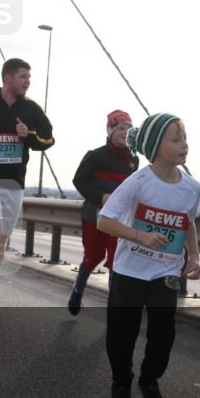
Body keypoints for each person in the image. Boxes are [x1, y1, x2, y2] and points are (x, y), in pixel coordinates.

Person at [97, 113, 200, 398]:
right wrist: (139, 235)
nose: (184, 145)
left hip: (166, 272)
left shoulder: (191, 187)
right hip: (129, 271)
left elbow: (188, 223)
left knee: (163, 331)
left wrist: (193, 256)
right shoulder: (138, 182)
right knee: (121, 334)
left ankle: (149, 380)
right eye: (176, 139)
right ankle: (121, 383)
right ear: (156, 148)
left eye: (185, 138)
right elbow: (105, 220)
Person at [0, 57, 54, 317]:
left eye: (29, 78)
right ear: (8, 78)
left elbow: (48, 139)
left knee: (2, 239)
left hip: (14, 182)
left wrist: (28, 135)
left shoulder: (32, 109)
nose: (28, 82)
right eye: (23, 77)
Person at [69, 110, 139, 315]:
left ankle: (114, 307)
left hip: (120, 220)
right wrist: (100, 197)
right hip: (94, 216)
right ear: (110, 130)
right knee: (93, 256)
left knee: (116, 260)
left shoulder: (134, 160)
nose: (125, 132)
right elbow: (78, 181)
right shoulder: (95, 156)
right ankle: (78, 289)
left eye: (129, 128)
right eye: (120, 128)